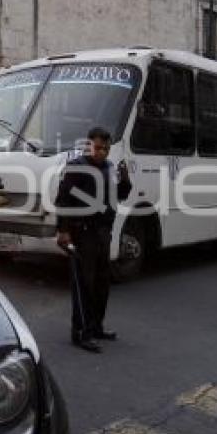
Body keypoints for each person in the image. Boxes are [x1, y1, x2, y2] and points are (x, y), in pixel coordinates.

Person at [55, 127, 132, 353]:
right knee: (83, 284)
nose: (102, 152)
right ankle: (81, 333)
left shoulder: (108, 167)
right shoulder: (76, 167)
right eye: (98, 147)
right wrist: (63, 231)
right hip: (82, 232)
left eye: (106, 148)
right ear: (89, 145)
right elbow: (63, 199)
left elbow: (118, 195)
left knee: (101, 284)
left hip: (102, 233)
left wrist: (125, 181)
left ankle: (96, 326)